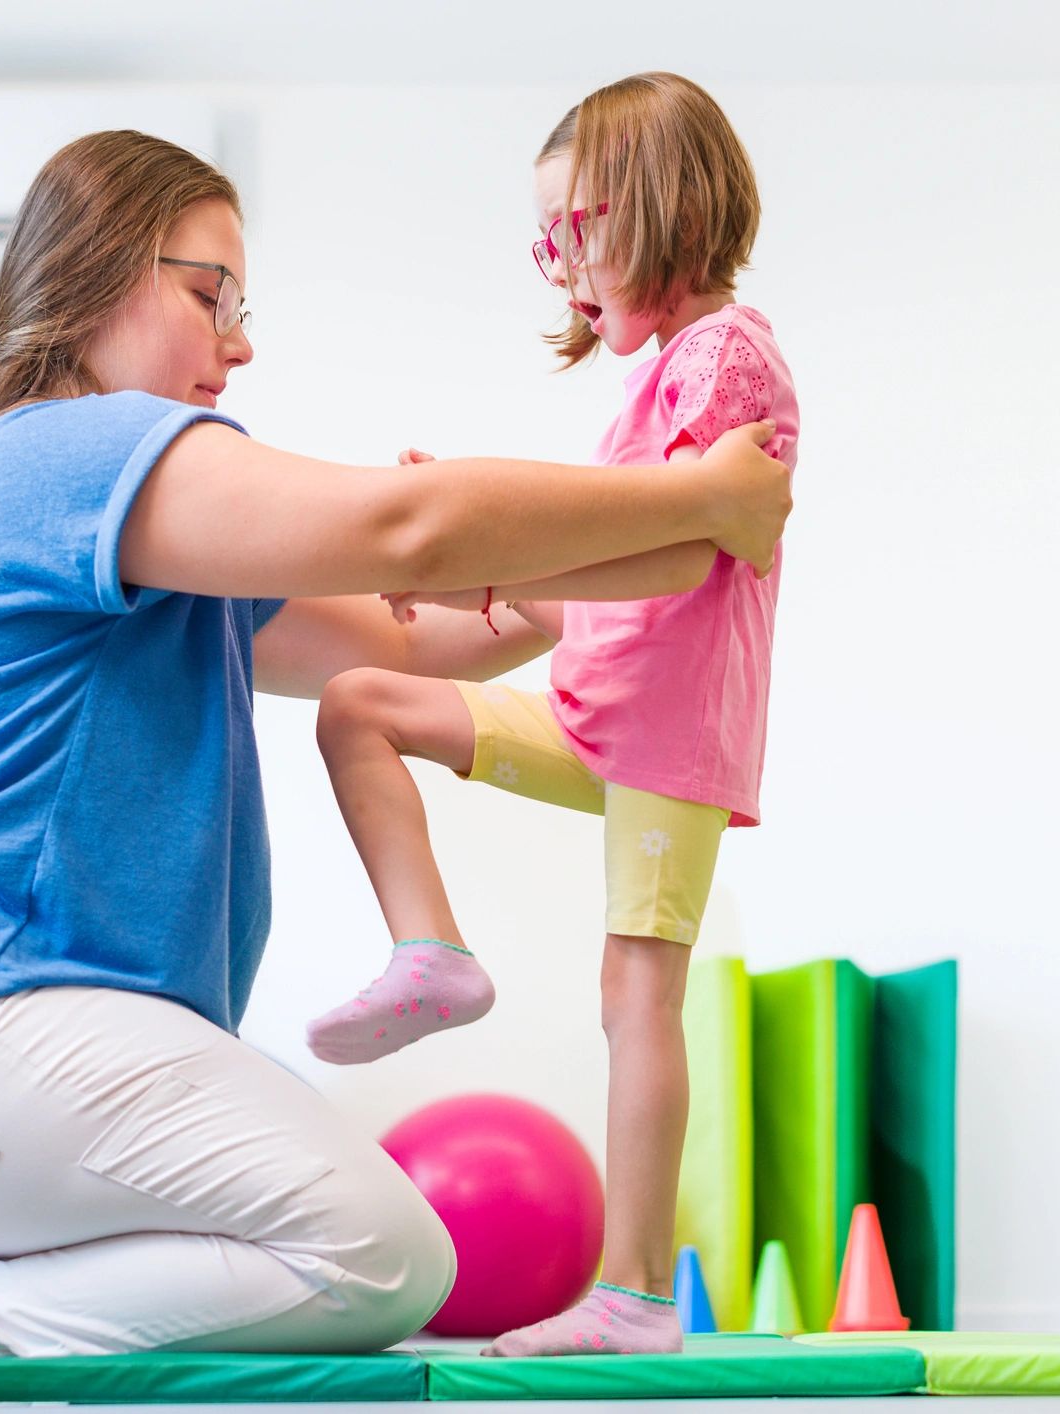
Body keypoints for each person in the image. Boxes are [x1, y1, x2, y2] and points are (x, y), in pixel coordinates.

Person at [0, 127, 788, 1400]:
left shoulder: (173, 552)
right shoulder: (68, 449)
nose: (240, 343)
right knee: (381, 1255)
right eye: (213, 296)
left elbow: (438, 633)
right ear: (98, 277)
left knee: (364, 1250)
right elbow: (407, 529)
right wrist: (699, 499)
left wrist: (681, 559)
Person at [301, 73, 799, 1357]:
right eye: (547, 241)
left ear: (659, 205)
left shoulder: (727, 356)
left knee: (636, 990)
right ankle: (433, 955)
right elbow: (582, 592)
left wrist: (491, 543)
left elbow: (683, 553)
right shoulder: (656, 383)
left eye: (573, 230)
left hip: (670, 735)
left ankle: (633, 1296)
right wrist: (456, 573)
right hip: (594, 711)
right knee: (359, 705)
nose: (560, 265)